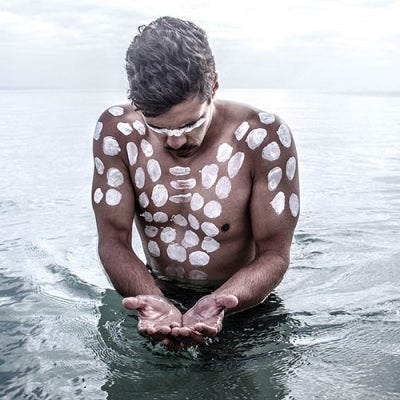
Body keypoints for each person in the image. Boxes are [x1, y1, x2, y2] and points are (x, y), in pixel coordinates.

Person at [91, 16, 300, 349]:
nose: (175, 142)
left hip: (241, 303)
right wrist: (153, 299)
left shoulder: (262, 137)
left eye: (189, 124)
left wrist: (221, 302)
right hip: (152, 296)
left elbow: (275, 254)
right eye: (158, 128)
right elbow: (113, 240)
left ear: (213, 86)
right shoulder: (118, 131)